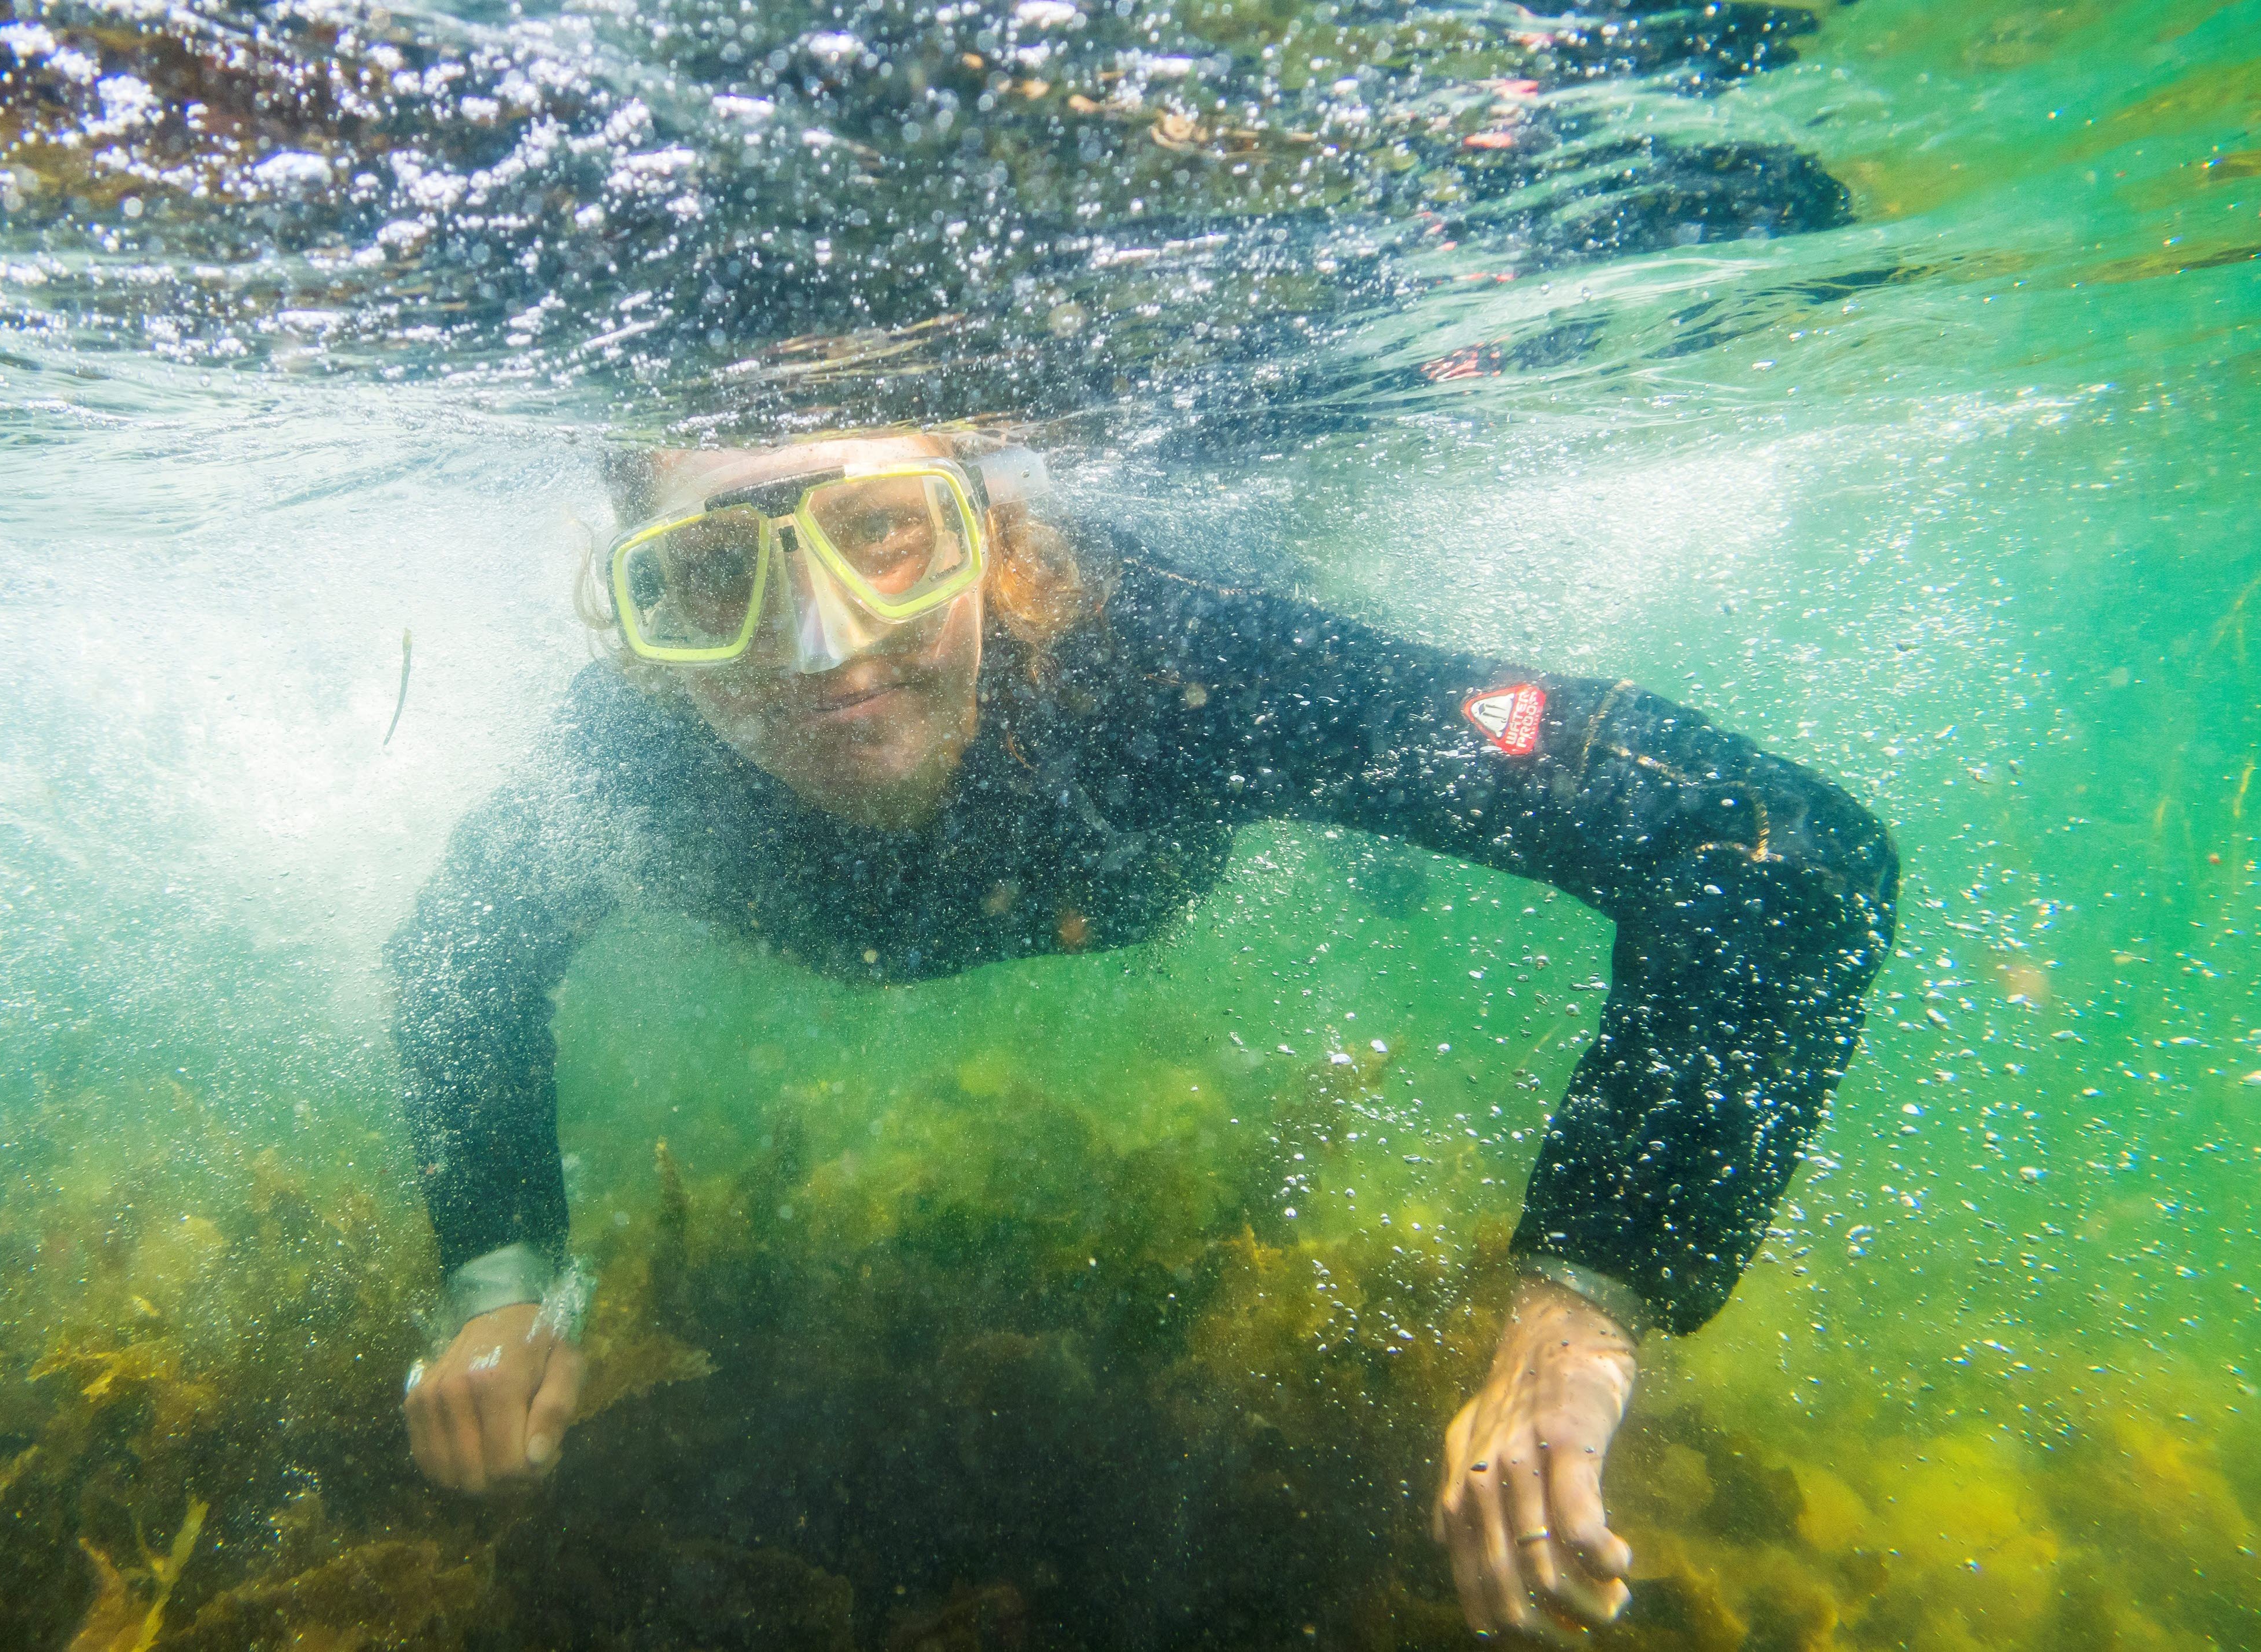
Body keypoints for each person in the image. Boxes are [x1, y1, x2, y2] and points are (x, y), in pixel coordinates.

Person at [386, 429, 1898, 1639]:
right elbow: (456, 948)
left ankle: (1368, 838)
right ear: (639, 623)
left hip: (1160, 783)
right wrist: (500, 1277)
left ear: (991, 530)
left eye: (887, 529)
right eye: (713, 571)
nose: (823, 646)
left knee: (1343, 740)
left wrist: (1583, 1307)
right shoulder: (632, 755)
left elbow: (1784, 846)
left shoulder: (1170, 666)